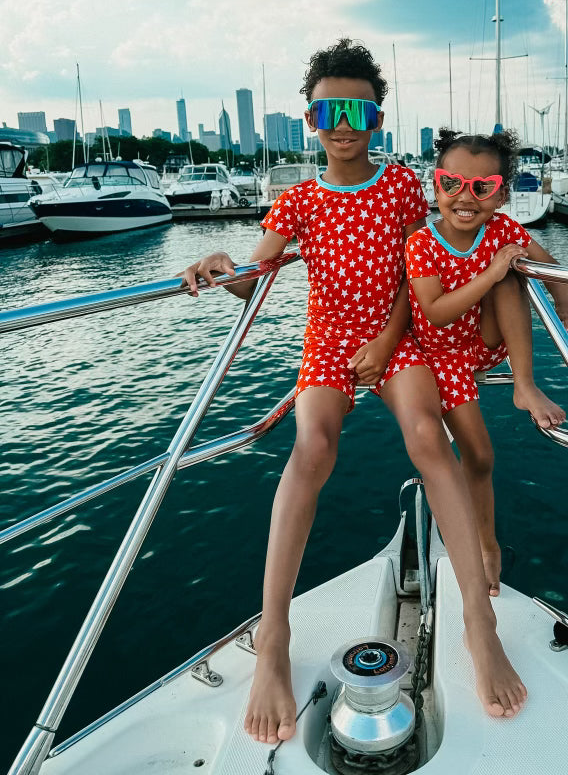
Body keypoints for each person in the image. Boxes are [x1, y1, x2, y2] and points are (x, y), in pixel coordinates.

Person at [181, 39, 527, 747]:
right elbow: (255, 275)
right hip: (328, 344)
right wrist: (221, 266)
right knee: (311, 447)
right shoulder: (298, 198)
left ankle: (478, 622)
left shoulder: (402, 186)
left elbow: (415, 272)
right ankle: (273, 637)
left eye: (358, 109)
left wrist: (383, 342)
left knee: (429, 439)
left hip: (397, 339)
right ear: (308, 118)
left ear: (377, 117)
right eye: (326, 110)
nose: (343, 123)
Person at [406, 127, 568, 596]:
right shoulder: (422, 244)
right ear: (436, 185)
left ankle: (523, 383)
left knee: (514, 271)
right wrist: (490, 272)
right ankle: (485, 543)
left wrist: (565, 306)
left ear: (501, 194)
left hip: (485, 342)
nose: (467, 198)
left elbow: (552, 268)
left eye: (482, 188)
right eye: (453, 184)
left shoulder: (503, 231)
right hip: (441, 352)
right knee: (480, 456)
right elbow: (436, 312)